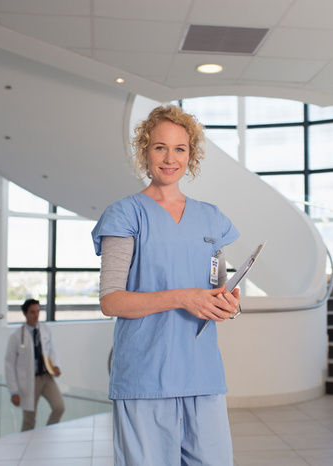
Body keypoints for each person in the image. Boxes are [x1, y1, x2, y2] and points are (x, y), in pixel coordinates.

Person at [91, 104, 241, 465]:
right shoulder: (125, 214)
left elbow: (217, 287)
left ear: (191, 155)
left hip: (202, 374)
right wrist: (181, 298)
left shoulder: (212, 218)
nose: (169, 158)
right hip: (146, 375)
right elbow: (111, 301)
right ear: (145, 151)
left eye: (180, 149)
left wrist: (230, 304)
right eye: (159, 147)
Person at [4, 298, 65, 431]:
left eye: (37, 311)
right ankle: (24, 446)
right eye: (32, 312)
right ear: (25, 314)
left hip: (46, 377)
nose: (36, 315)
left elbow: (52, 350)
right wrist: (13, 391)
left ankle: (47, 433)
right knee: (29, 420)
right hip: (29, 380)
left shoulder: (45, 330)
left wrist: (56, 366)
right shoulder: (15, 337)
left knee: (59, 407)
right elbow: (9, 365)